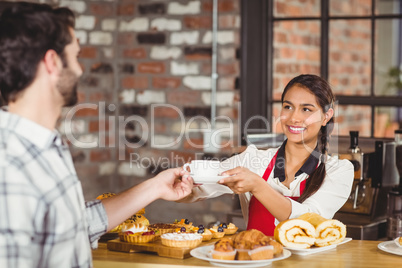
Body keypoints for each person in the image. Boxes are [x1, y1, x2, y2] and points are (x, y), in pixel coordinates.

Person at [0, 2, 193, 267]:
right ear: (52, 62)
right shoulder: (9, 167)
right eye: (75, 56)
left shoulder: (43, 146)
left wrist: (155, 186)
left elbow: (76, 225)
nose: (79, 70)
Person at [182, 74, 354, 236]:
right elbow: (197, 189)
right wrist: (174, 185)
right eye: (288, 107)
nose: (294, 118)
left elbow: (308, 222)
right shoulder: (253, 160)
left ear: (326, 117)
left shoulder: (338, 171)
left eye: (306, 110)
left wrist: (259, 186)